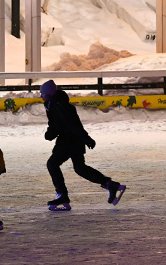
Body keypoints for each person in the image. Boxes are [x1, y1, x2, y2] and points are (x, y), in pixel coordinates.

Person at [40, 79, 125, 212]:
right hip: (74, 140)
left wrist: (85, 138)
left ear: (49, 94)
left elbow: (71, 124)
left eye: (42, 94)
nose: (41, 96)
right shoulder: (53, 104)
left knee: (52, 164)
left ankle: (62, 195)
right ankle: (110, 184)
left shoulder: (60, 106)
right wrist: (52, 132)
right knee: (80, 168)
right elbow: (57, 124)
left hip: (70, 140)